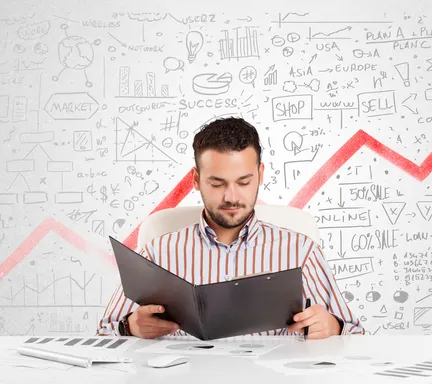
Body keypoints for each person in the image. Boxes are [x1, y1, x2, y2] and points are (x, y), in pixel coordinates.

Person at [97, 117, 364, 339]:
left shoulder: (301, 251)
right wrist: (129, 326)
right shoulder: (158, 252)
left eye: (244, 182)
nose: (231, 197)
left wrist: (333, 326)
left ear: (260, 175)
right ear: (196, 180)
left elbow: (355, 334)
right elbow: (103, 332)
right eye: (217, 184)